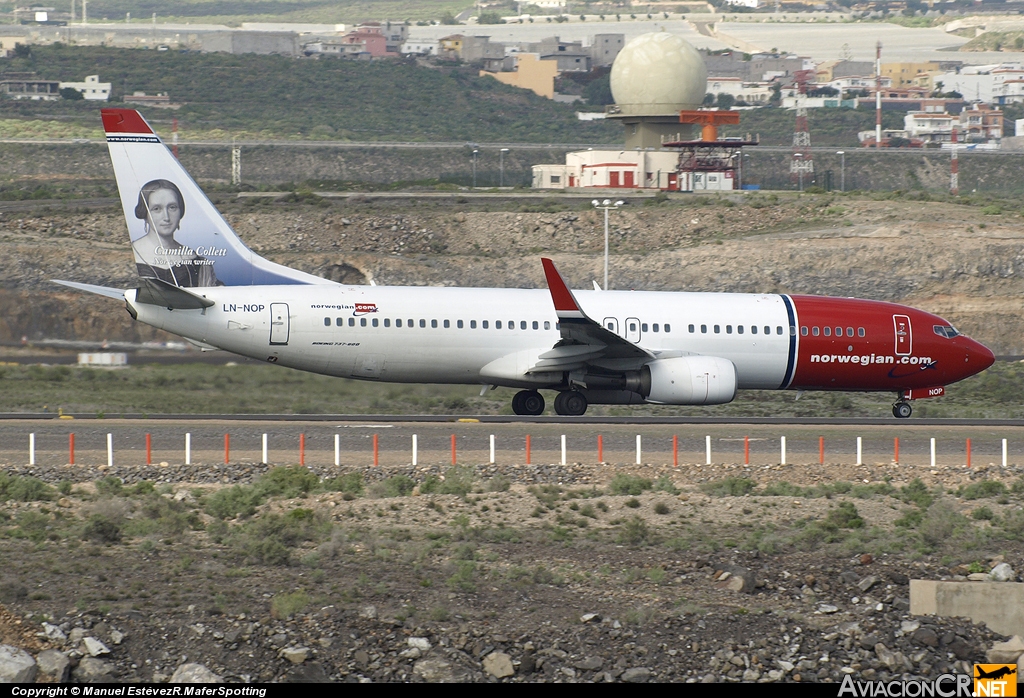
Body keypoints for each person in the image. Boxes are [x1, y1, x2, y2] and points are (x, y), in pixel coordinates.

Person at [132, 179, 219, 287]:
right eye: (157, 209)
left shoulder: (196, 262)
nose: (166, 217)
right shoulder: (131, 254)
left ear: (180, 211)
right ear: (145, 213)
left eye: (172, 207)